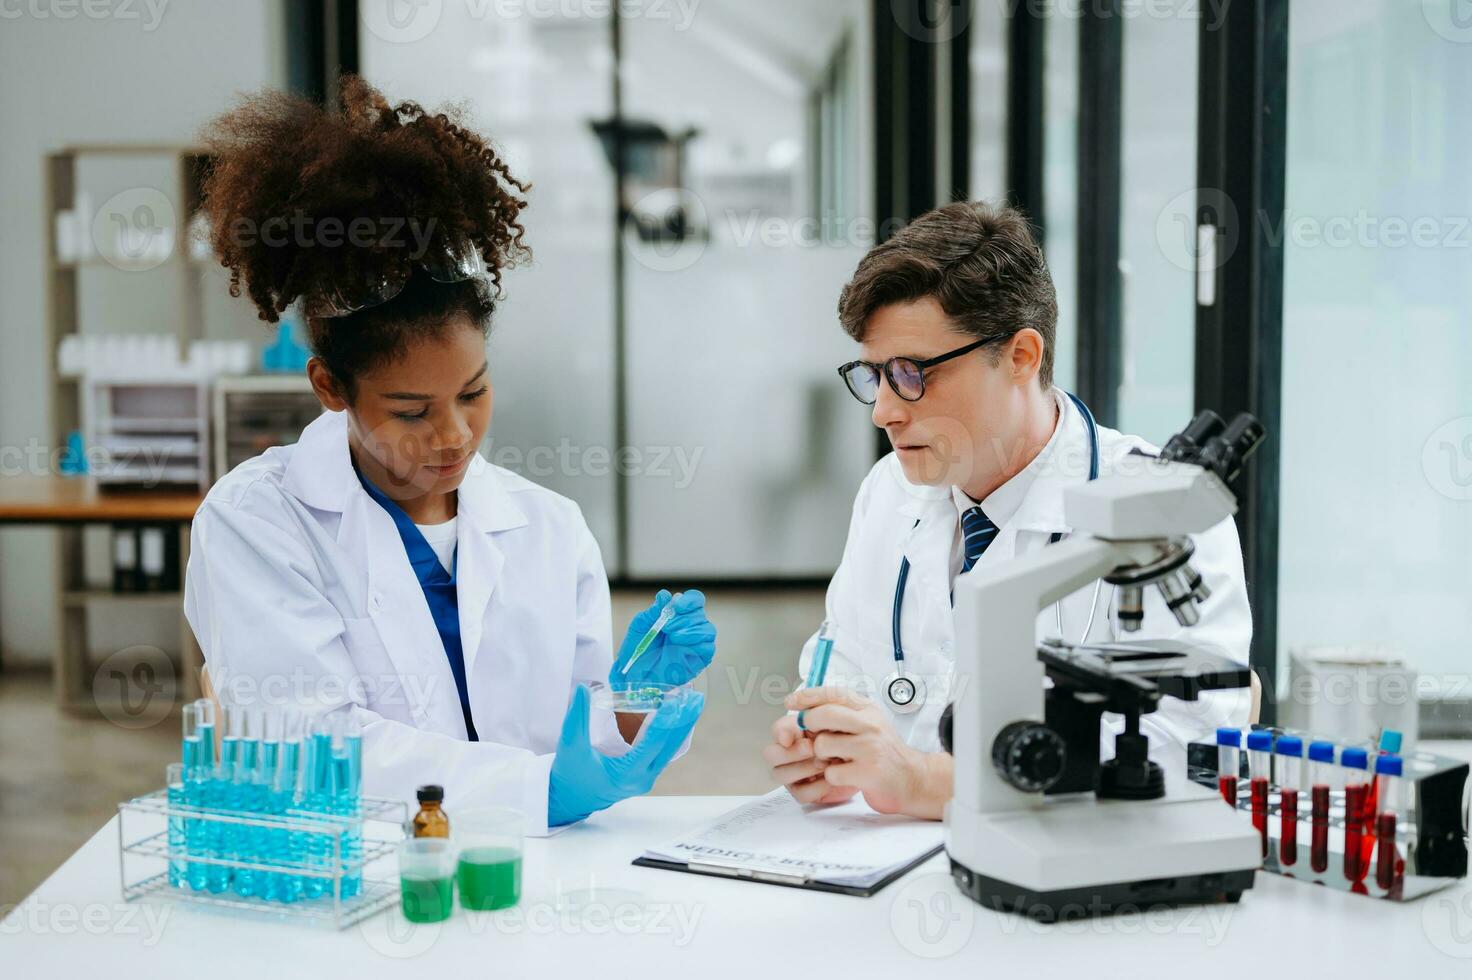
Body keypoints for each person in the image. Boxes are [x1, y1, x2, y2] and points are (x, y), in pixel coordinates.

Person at [183, 78, 716, 836]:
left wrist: (635, 704)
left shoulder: (547, 526)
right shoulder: (257, 523)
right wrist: (535, 792)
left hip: (531, 878)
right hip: (361, 880)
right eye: (411, 411)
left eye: (473, 392)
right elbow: (304, 745)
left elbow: (583, 747)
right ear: (330, 387)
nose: (454, 435)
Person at [762, 200, 1256, 819]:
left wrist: (922, 781)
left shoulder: (1161, 508)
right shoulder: (890, 489)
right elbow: (845, 664)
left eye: (912, 374)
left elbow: (1190, 751)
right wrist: (828, 748)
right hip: (884, 867)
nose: (884, 411)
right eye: (874, 376)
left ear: (1021, 355)